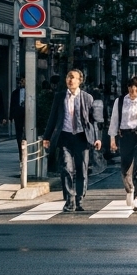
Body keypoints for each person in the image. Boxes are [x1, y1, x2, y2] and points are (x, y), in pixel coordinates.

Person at [42, 70, 101, 212]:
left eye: (73, 78)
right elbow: (53, 118)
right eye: (68, 77)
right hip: (65, 136)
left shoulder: (87, 98)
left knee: (82, 170)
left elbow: (94, 120)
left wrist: (97, 138)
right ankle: (69, 200)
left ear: (80, 80)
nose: (70, 80)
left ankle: (80, 198)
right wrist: (46, 137)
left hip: (82, 137)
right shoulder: (59, 97)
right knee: (66, 168)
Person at [109, 76, 137, 211]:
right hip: (125, 136)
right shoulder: (120, 102)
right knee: (125, 168)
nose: (133, 93)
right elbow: (114, 121)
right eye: (131, 90)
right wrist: (112, 139)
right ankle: (130, 189)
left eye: (136, 90)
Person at [10, 76, 29, 145]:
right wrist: (11, 116)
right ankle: (20, 145)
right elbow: (12, 104)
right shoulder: (15, 93)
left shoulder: (31, 91)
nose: (21, 82)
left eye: (23, 80)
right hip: (18, 113)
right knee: (18, 131)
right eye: (20, 81)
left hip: (27, 113)